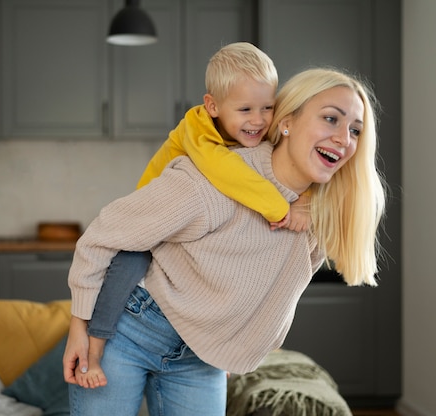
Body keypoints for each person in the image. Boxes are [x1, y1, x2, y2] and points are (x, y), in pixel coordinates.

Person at [63, 67, 386, 415]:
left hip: (201, 361)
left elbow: (269, 292)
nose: (344, 138)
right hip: (130, 333)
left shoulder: (318, 217)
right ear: (287, 122)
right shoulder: (214, 179)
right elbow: (101, 236)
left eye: (355, 130)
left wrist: (232, 342)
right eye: (331, 119)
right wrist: (80, 326)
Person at [75, 42, 312, 390]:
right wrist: (281, 208)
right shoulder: (198, 131)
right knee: (123, 274)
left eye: (267, 107)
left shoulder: (248, 132)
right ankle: (94, 352)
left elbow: (291, 164)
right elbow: (228, 174)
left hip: (181, 232)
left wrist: (306, 197)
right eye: (245, 108)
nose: (258, 120)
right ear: (212, 106)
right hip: (151, 221)